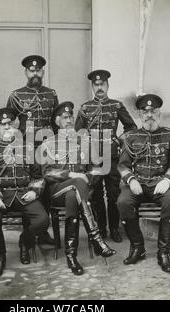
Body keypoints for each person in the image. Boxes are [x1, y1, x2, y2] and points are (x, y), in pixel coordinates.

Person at [41, 101, 116, 275]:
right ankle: (97, 241)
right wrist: (73, 176)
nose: (69, 121)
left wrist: (87, 179)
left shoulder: (85, 141)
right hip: (57, 191)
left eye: (71, 117)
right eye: (65, 118)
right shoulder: (48, 144)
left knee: (74, 194)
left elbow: (98, 168)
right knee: (76, 185)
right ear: (57, 121)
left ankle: (71, 256)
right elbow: (47, 173)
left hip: (77, 193)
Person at [0, 107, 49, 277]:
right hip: (1, 195)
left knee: (43, 220)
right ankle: (0, 256)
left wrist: (34, 190)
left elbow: (38, 175)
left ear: (16, 125)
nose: (7, 127)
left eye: (10, 123)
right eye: (3, 125)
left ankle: (25, 241)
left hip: (24, 193)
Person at [117, 94, 170, 273]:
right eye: (145, 112)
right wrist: (131, 180)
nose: (149, 115)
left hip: (160, 183)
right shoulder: (131, 136)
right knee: (123, 202)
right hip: (137, 184)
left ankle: (164, 252)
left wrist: (168, 179)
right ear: (140, 115)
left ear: (159, 114)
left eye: (153, 111)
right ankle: (137, 247)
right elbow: (123, 165)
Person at [75, 70, 137, 242]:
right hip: (93, 159)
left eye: (102, 84)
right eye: (96, 84)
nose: (100, 87)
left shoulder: (116, 106)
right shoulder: (85, 108)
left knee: (113, 194)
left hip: (112, 157)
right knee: (95, 196)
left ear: (108, 85)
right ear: (93, 87)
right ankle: (101, 228)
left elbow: (131, 127)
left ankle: (115, 229)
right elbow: (78, 133)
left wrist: (118, 141)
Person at [6, 55, 59, 246]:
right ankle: (28, 235)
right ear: (26, 72)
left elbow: (55, 122)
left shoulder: (51, 94)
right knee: (27, 190)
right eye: (31, 70)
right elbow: (9, 124)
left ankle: (42, 232)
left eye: (38, 70)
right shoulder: (16, 95)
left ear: (43, 72)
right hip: (24, 149)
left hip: (46, 149)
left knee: (45, 191)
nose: (35, 73)